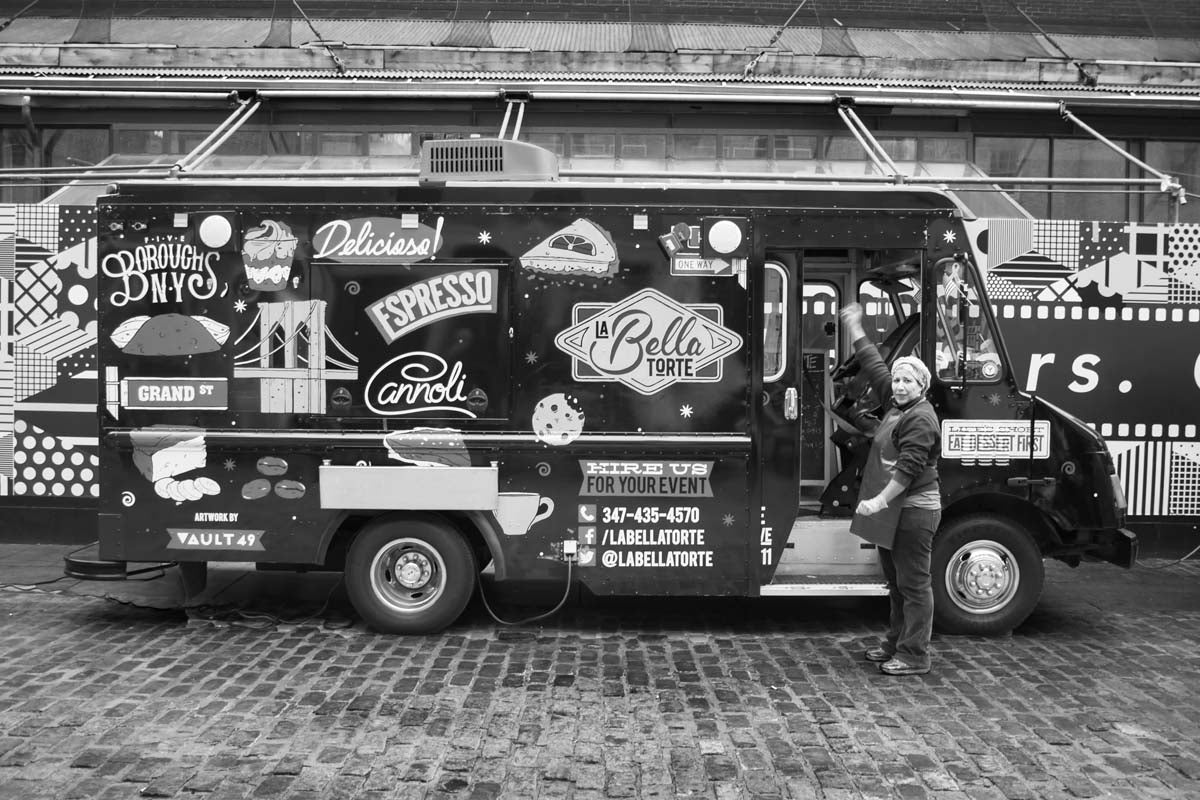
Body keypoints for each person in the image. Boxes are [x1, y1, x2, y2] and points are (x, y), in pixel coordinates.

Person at [838, 302, 942, 676]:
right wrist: (855, 327)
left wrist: (878, 502)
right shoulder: (897, 403)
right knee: (896, 584)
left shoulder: (921, 418)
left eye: (908, 381)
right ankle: (896, 643)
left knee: (914, 585)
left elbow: (909, 470)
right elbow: (875, 365)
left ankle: (915, 654)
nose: (898, 385)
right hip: (895, 511)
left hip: (914, 511)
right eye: (897, 380)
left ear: (921, 387)